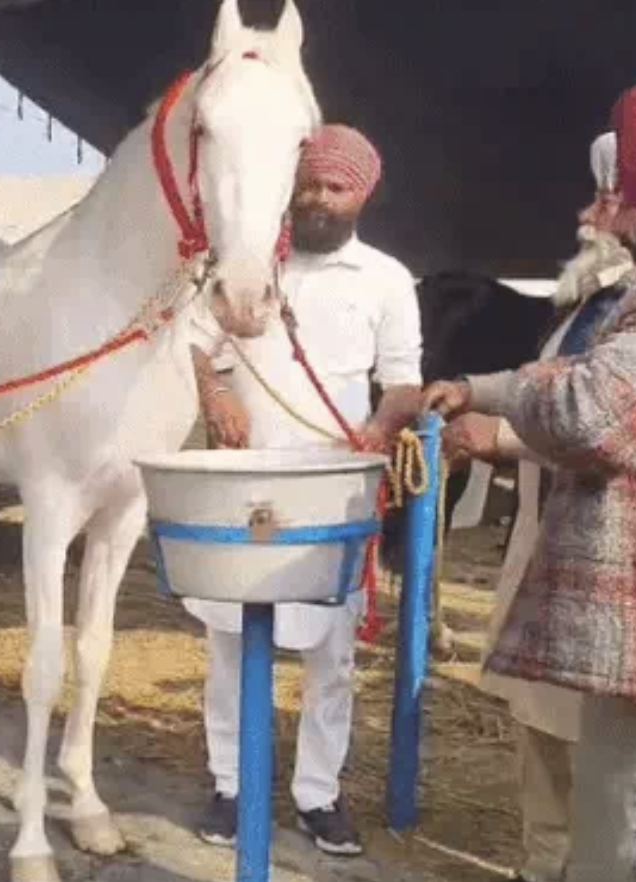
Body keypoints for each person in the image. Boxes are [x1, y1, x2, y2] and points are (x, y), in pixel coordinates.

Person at [424, 83, 636, 882]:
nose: (610, 208)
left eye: (626, 186)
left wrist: (496, 413)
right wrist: (487, 387)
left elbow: (600, 412)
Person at [187, 124, 423, 855]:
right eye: (311, 183)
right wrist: (214, 394)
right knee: (229, 643)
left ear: (363, 195)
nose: (320, 199)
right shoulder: (247, 263)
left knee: (332, 657)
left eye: (336, 187)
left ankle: (318, 795)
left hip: (335, 491)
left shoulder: (386, 278)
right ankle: (230, 785)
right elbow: (195, 340)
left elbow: (404, 381)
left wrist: (381, 430)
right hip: (245, 484)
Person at [442, 132, 634, 882]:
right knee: (541, 738)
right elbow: (542, 382)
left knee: (601, 765)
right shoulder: (587, 303)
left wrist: (500, 434)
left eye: (607, 197)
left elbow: (610, 420)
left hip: (610, 574)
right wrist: (473, 392)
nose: (588, 213)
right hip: (544, 559)